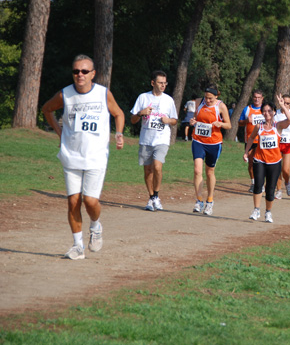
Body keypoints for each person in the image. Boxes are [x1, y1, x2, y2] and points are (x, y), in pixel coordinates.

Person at [41, 54, 125, 260]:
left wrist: (119, 134)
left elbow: (119, 114)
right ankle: (77, 246)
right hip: (71, 155)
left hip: (96, 155)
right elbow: (46, 109)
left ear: (93, 74)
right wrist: (59, 133)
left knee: (89, 200)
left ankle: (95, 226)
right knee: (73, 202)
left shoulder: (103, 94)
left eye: (84, 71)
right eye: (76, 71)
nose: (80, 75)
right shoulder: (65, 94)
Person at [131, 70, 178, 211]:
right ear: (153, 83)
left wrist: (168, 120)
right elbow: (133, 120)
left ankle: (156, 195)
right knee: (148, 171)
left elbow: (175, 120)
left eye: (165, 83)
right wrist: (141, 113)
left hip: (162, 139)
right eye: (160, 83)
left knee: (157, 167)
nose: (163, 85)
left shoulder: (168, 100)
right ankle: (151, 197)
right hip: (146, 139)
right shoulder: (143, 98)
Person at [244, 95, 290, 223]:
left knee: (271, 190)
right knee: (258, 185)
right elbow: (250, 138)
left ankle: (268, 212)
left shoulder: (278, 126)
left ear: (274, 112)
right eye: (264, 111)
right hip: (259, 160)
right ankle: (256, 210)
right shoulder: (258, 127)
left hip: (274, 162)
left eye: (269, 111)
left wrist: (283, 106)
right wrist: (246, 151)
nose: (267, 113)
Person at [189, 86, 231, 215]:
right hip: (198, 141)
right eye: (206, 98)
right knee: (197, 170)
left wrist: (221, 124)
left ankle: (210, 201)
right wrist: (193, 121)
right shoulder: (199, 102)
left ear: (216, 97)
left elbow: (229, 125)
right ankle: (199, 200)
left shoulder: (221, 106)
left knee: (209, 172)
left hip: (214, 143)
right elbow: (196, 118)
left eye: (210, 99)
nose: (207, 100)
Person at [238, 90, 265, 192]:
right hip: (250, 140)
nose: (256, 99)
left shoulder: (265, 109)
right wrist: (246, 121)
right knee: (251, 163)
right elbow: (239, 123)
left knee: (262, 163)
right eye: (255, 97)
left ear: (262, 98)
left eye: (259, 97)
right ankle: (253, 183)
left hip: (263, 140)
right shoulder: (247, 109)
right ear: (252, 97)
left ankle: (261, 183)